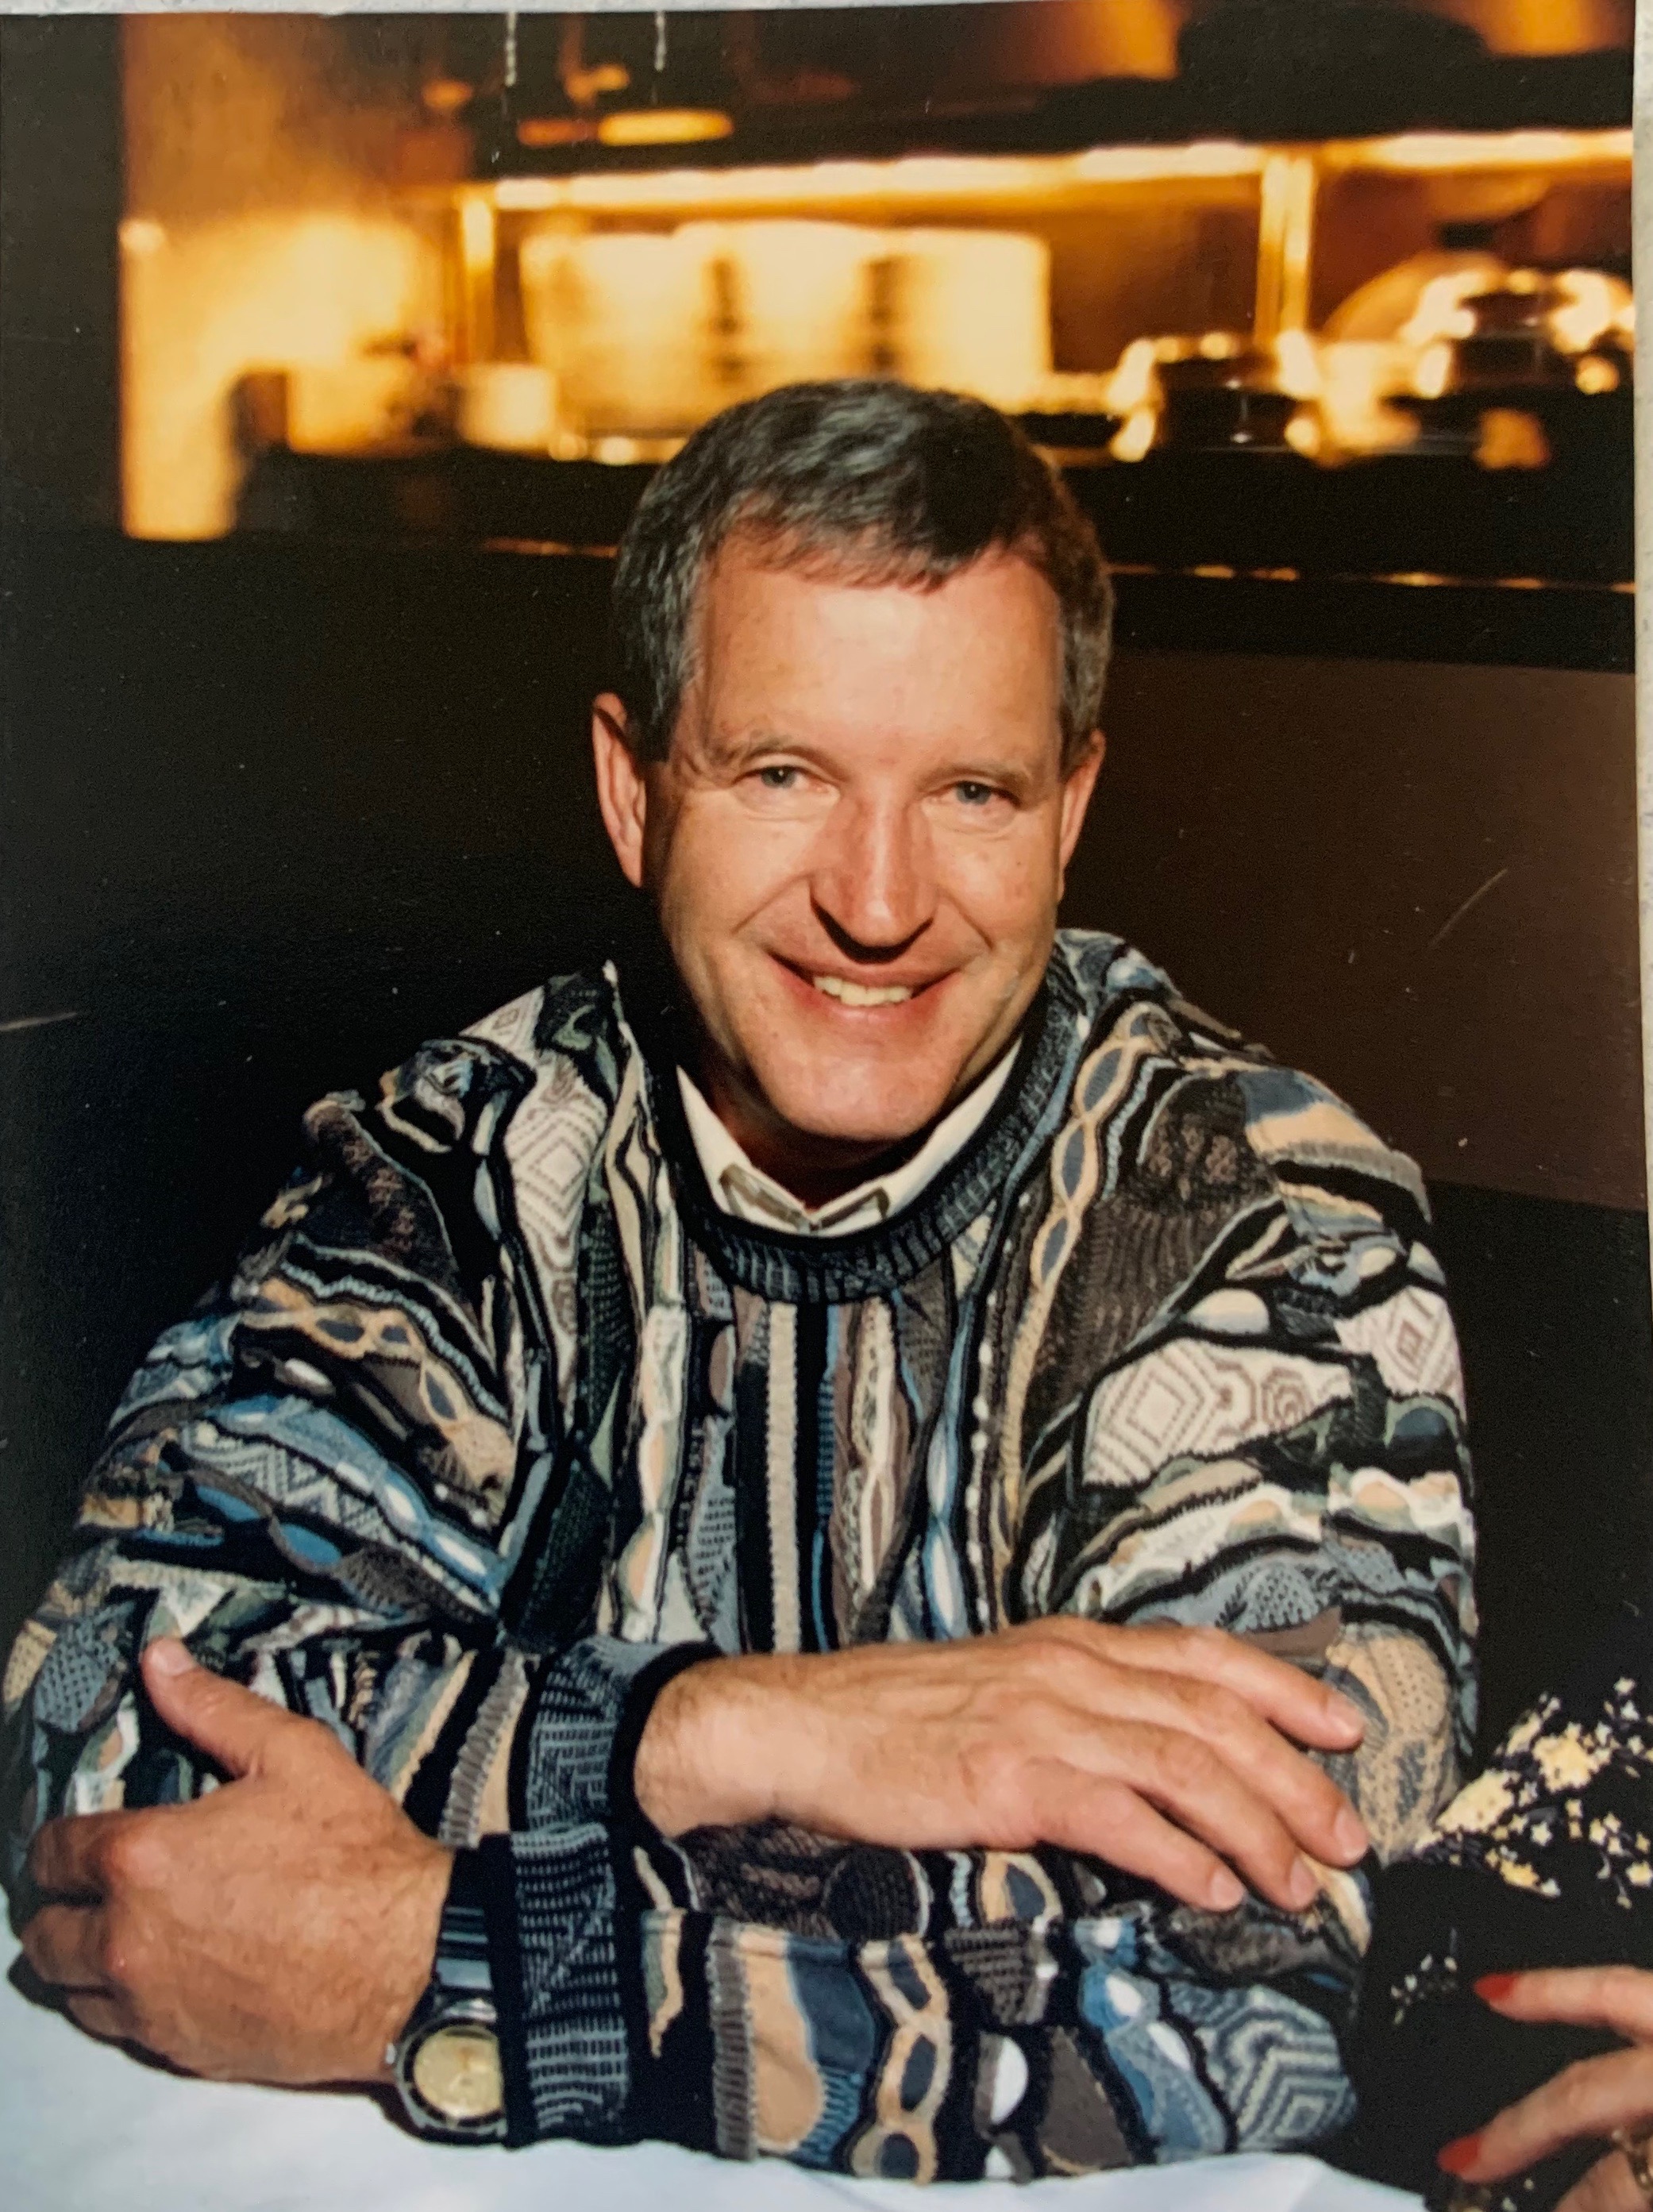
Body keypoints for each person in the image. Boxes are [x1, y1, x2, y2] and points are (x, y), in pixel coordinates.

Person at [2, 379, 1476, 2179]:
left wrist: (431, 1957)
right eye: (784, 774)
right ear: (633, 792)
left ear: (1072, 806)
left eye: (973, 791)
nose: (879, 899)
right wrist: (745, 1730)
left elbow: (1231, 2012)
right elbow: (96, 1727)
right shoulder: (455, 1165)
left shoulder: (1251, 1213)